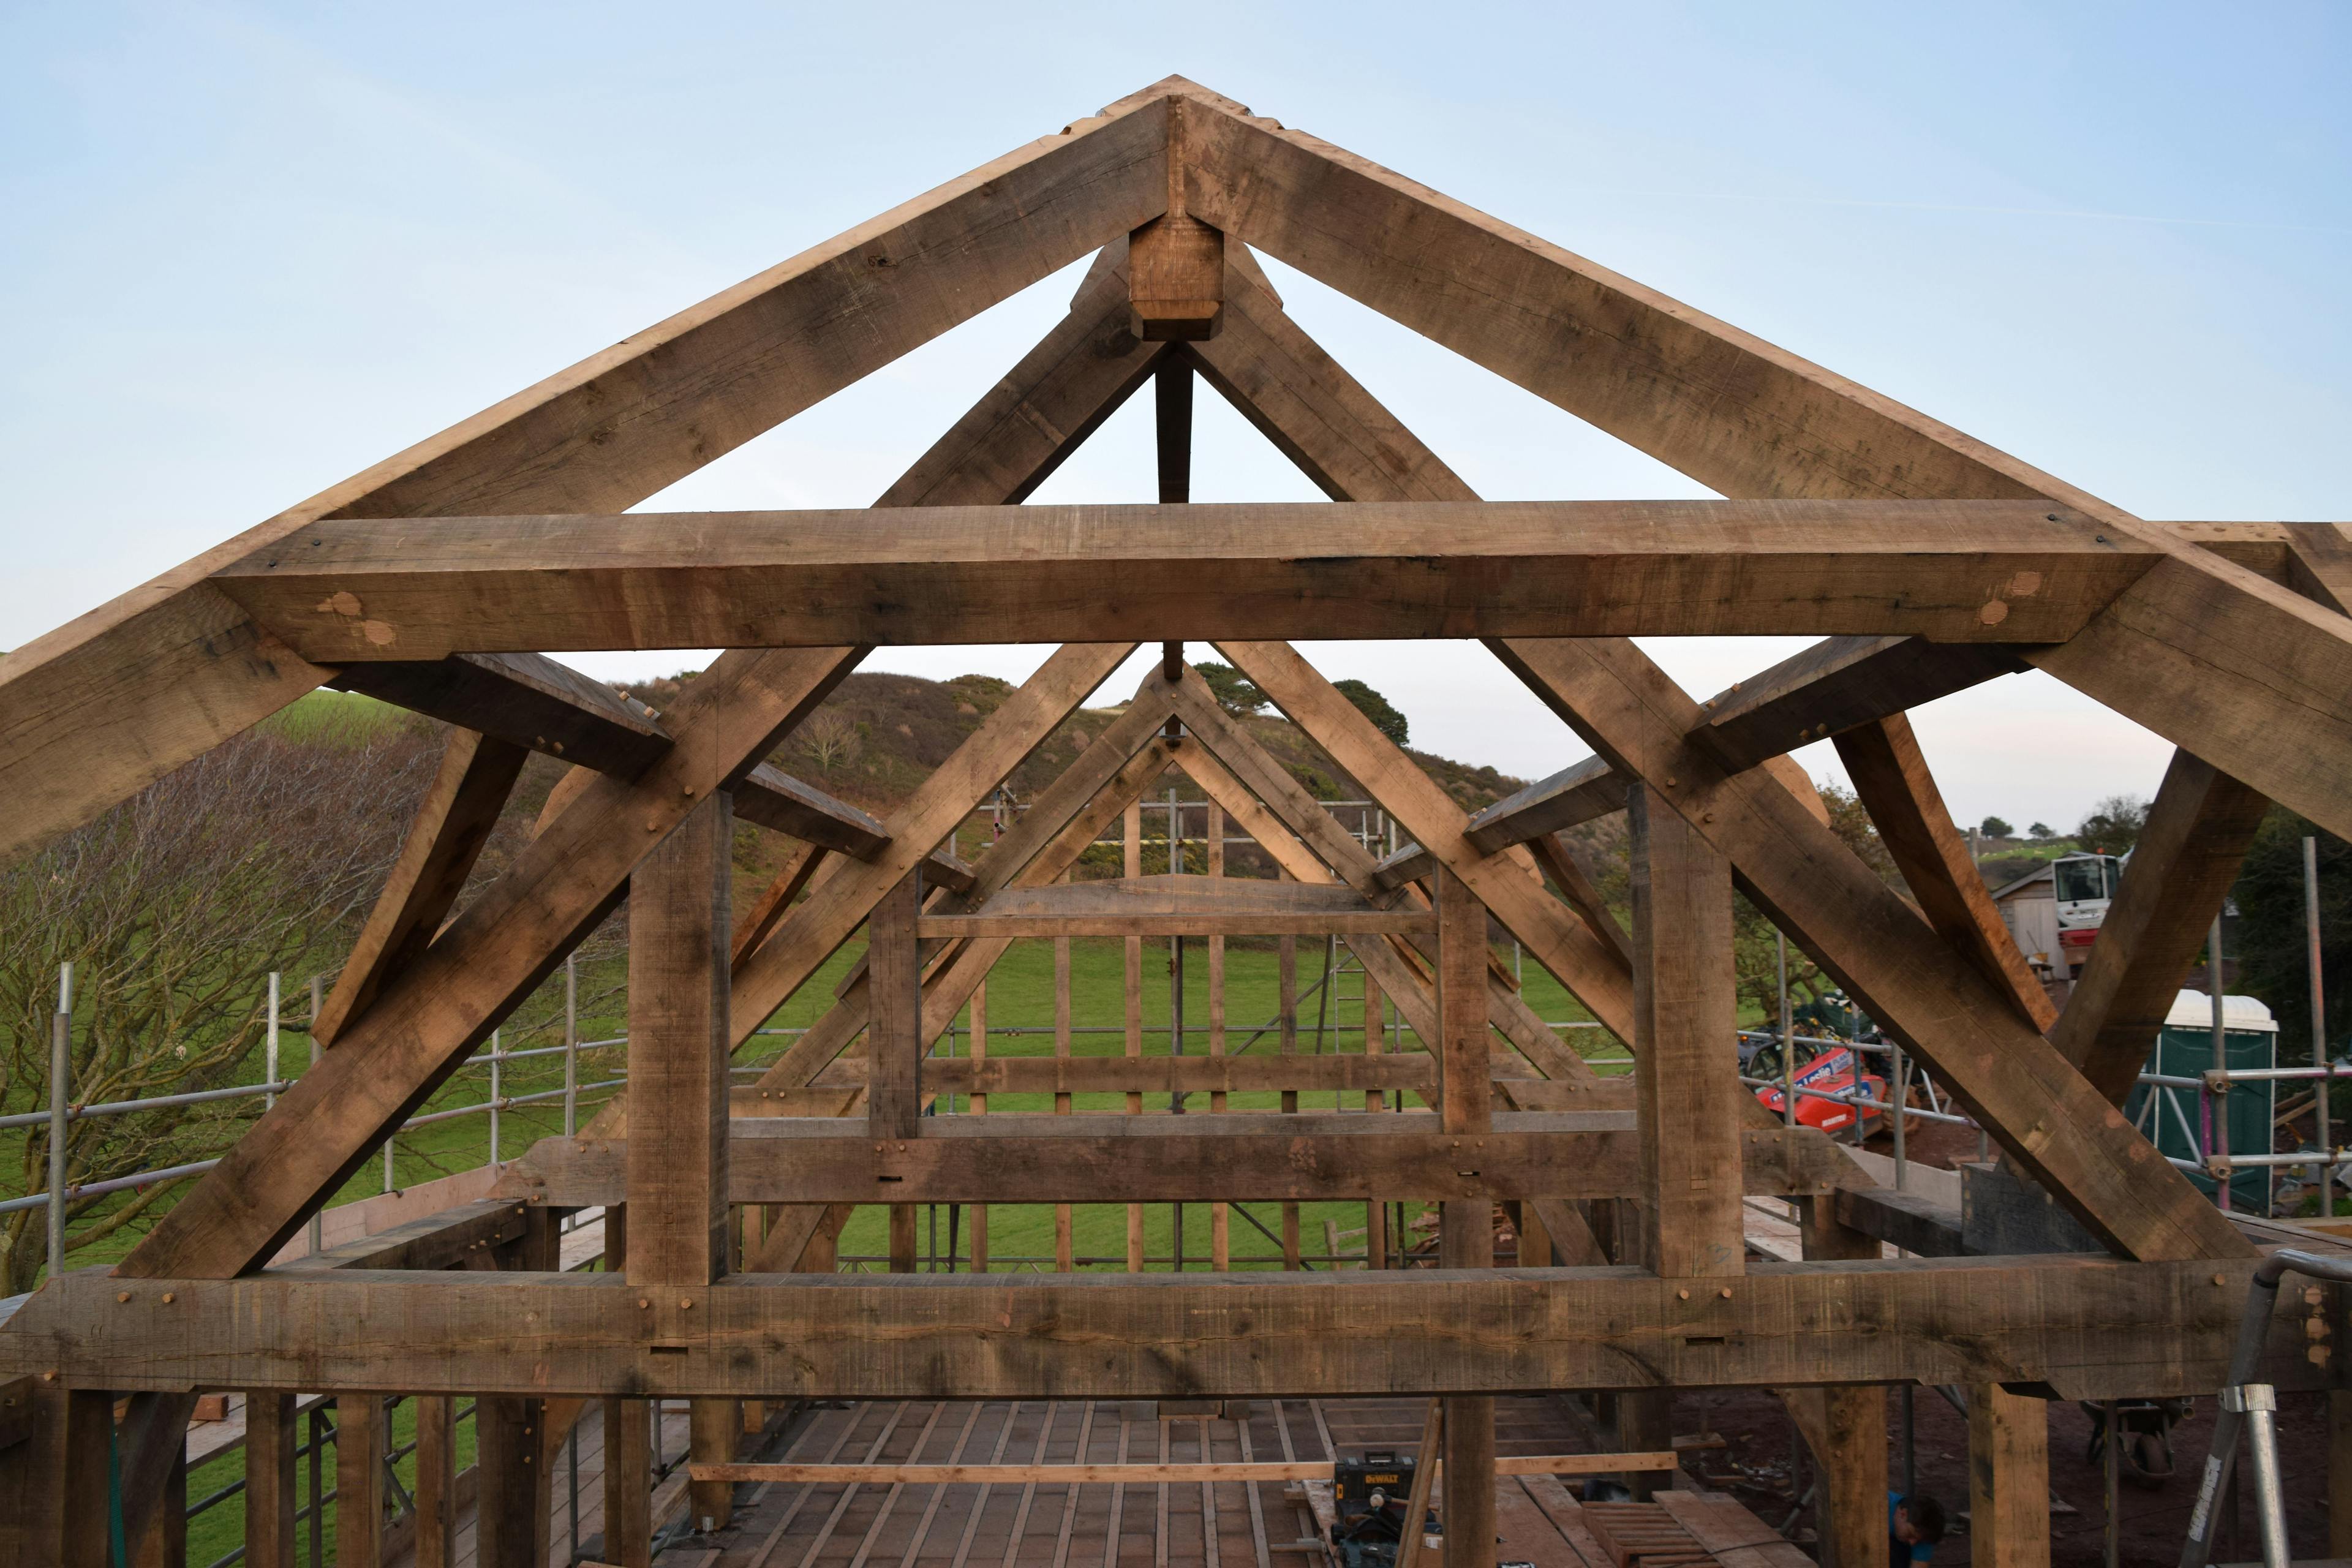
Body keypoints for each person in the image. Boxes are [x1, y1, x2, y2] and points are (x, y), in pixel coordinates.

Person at [1888, 1491, 1947, 1566]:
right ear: (1903, 1514)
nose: (1912, 1543)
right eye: (1911, 1535)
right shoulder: (1879, 1507)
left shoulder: (1923, 1533)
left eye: (1918, 1540)